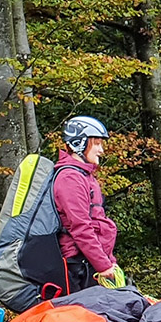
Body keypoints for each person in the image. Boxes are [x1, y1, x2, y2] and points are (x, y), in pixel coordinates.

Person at [53, 116, 118, 292]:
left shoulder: (84, 176)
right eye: (96, 144)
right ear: (80, 143)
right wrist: (104, 266)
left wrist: (108, 261)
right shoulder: (70, 178)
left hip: (91, 264)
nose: (101, 150)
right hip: (79, 268)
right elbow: (81, 227)